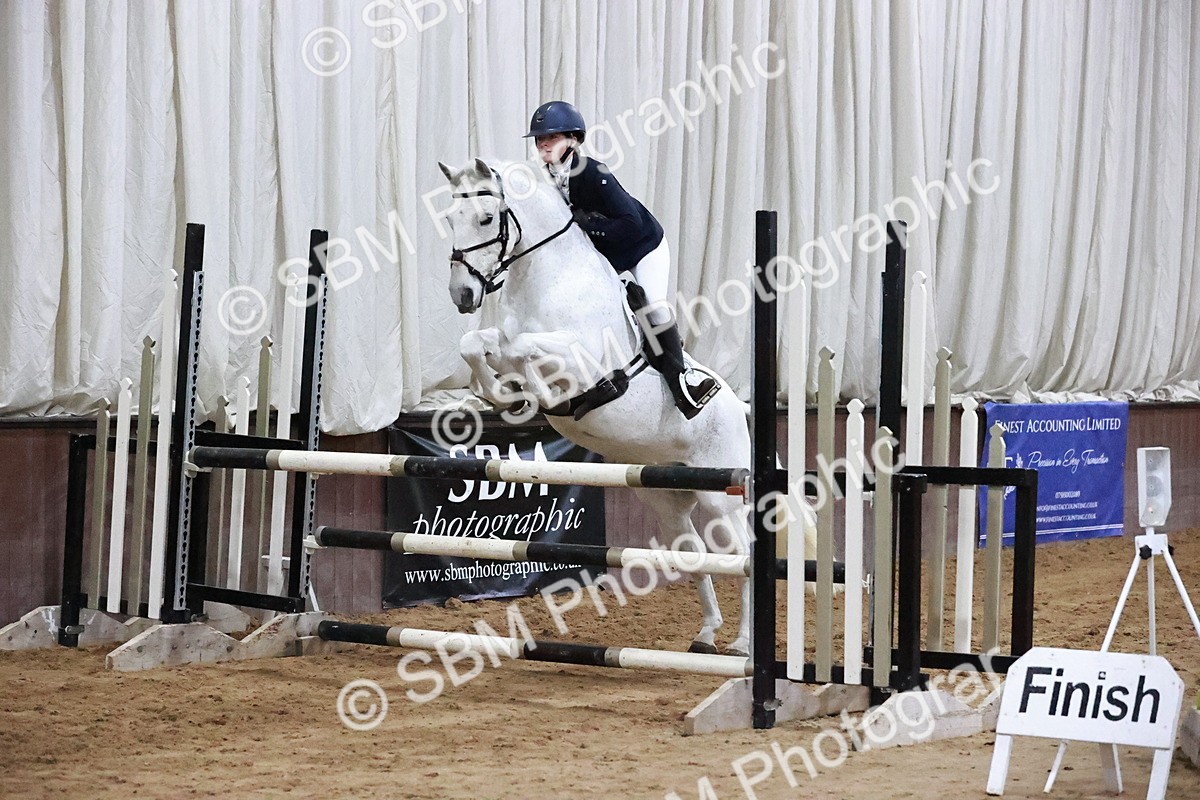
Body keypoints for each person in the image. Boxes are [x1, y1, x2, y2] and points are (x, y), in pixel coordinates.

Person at [523, 100, 719, 420]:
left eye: (552, 137)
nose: (543, 143)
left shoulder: (593, 172)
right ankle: (601, 379)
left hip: (643, 246)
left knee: (653, 308)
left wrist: (588, 224)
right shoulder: (543, 179)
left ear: (573, 139)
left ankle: (684, 379)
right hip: (604, 255)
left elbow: (631, 223)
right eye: (540, 138)